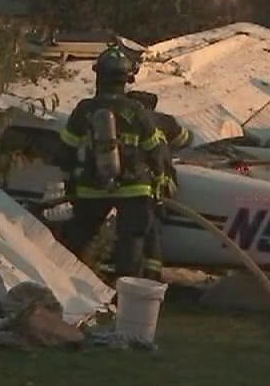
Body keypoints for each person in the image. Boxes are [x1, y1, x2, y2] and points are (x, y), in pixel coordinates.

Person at [56, 47, 166, 281]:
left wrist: (72, 180)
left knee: (80, 239)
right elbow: (154, 151)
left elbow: (65, 152)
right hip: (134, 189)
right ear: (127, 79)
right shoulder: (137, 111)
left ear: (99, 77)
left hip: (91, 187)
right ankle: (126, 294)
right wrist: (159, 179)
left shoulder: (84, 110)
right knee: (131, 241)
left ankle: (72, 286)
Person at [127, 89, 190, 278]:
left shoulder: (129, 119)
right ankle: (150, 275)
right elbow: (185, 139)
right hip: (165, 183)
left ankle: (135, 276)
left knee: (138, 230)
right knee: (153, 230)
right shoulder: (166, 121)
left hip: (139, 183)